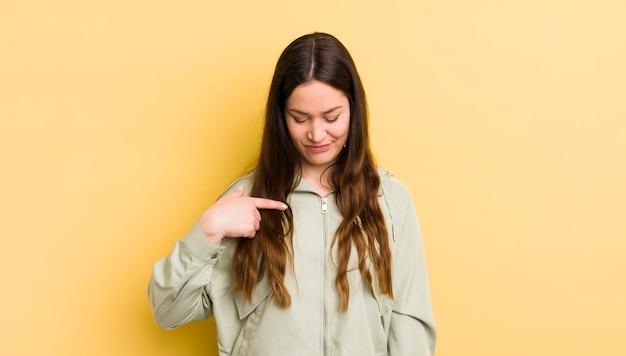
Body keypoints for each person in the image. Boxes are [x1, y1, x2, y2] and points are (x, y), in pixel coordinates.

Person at [148, 32, 436, 356]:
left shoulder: (391, 200)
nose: (317, 133)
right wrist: (206, 231)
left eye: (332, 117)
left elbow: (409, 325)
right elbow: (168, 311)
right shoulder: (245, 200)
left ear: (354, 111)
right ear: (280, 116)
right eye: (300, 118)